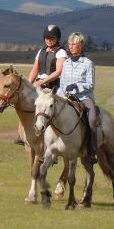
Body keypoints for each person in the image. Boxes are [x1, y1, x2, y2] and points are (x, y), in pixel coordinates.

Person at [58, 32, 98, 164]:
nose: (71, 46)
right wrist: (64, 92)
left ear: (81, 45)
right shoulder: (66, 63)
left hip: (83, 97)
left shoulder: (88, 63)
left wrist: (77, 86)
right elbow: (62, 82)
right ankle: (49, 147)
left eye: (74, 44)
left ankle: (92, 151)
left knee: (92, 120)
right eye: (69, 44)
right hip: (67, 97)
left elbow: (90, 85)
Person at [29, 24, 67, 91]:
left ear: (57, 38)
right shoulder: (41, 51)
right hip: (40, 84)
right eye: (47, 38)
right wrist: (29, 85)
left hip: (54, 86)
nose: (49, 40)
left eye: (52, 38)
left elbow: (59, 72)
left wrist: (42, 82)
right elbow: (35, 70)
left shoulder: (61, 52)